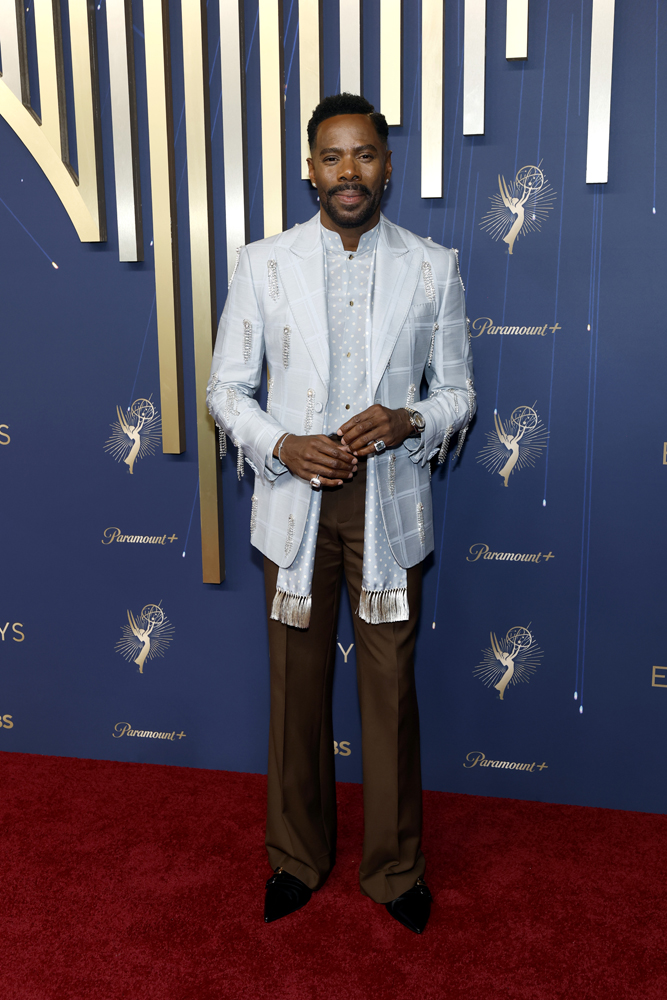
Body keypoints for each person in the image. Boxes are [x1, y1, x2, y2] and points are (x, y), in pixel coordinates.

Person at [207, 93, 475, 934]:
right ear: (308, 169)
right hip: (295, 505)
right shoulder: (263, 263)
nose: (348, 172)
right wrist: (282, 444)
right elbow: (224, 389)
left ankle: (395, 870)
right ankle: (295, 857)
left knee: (390, 692)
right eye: (332, 157)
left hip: (389, 503)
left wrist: (410, 420)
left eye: (364, 155)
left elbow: (459, 394)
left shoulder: (435, 265)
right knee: (296, 690)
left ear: (386, 166)